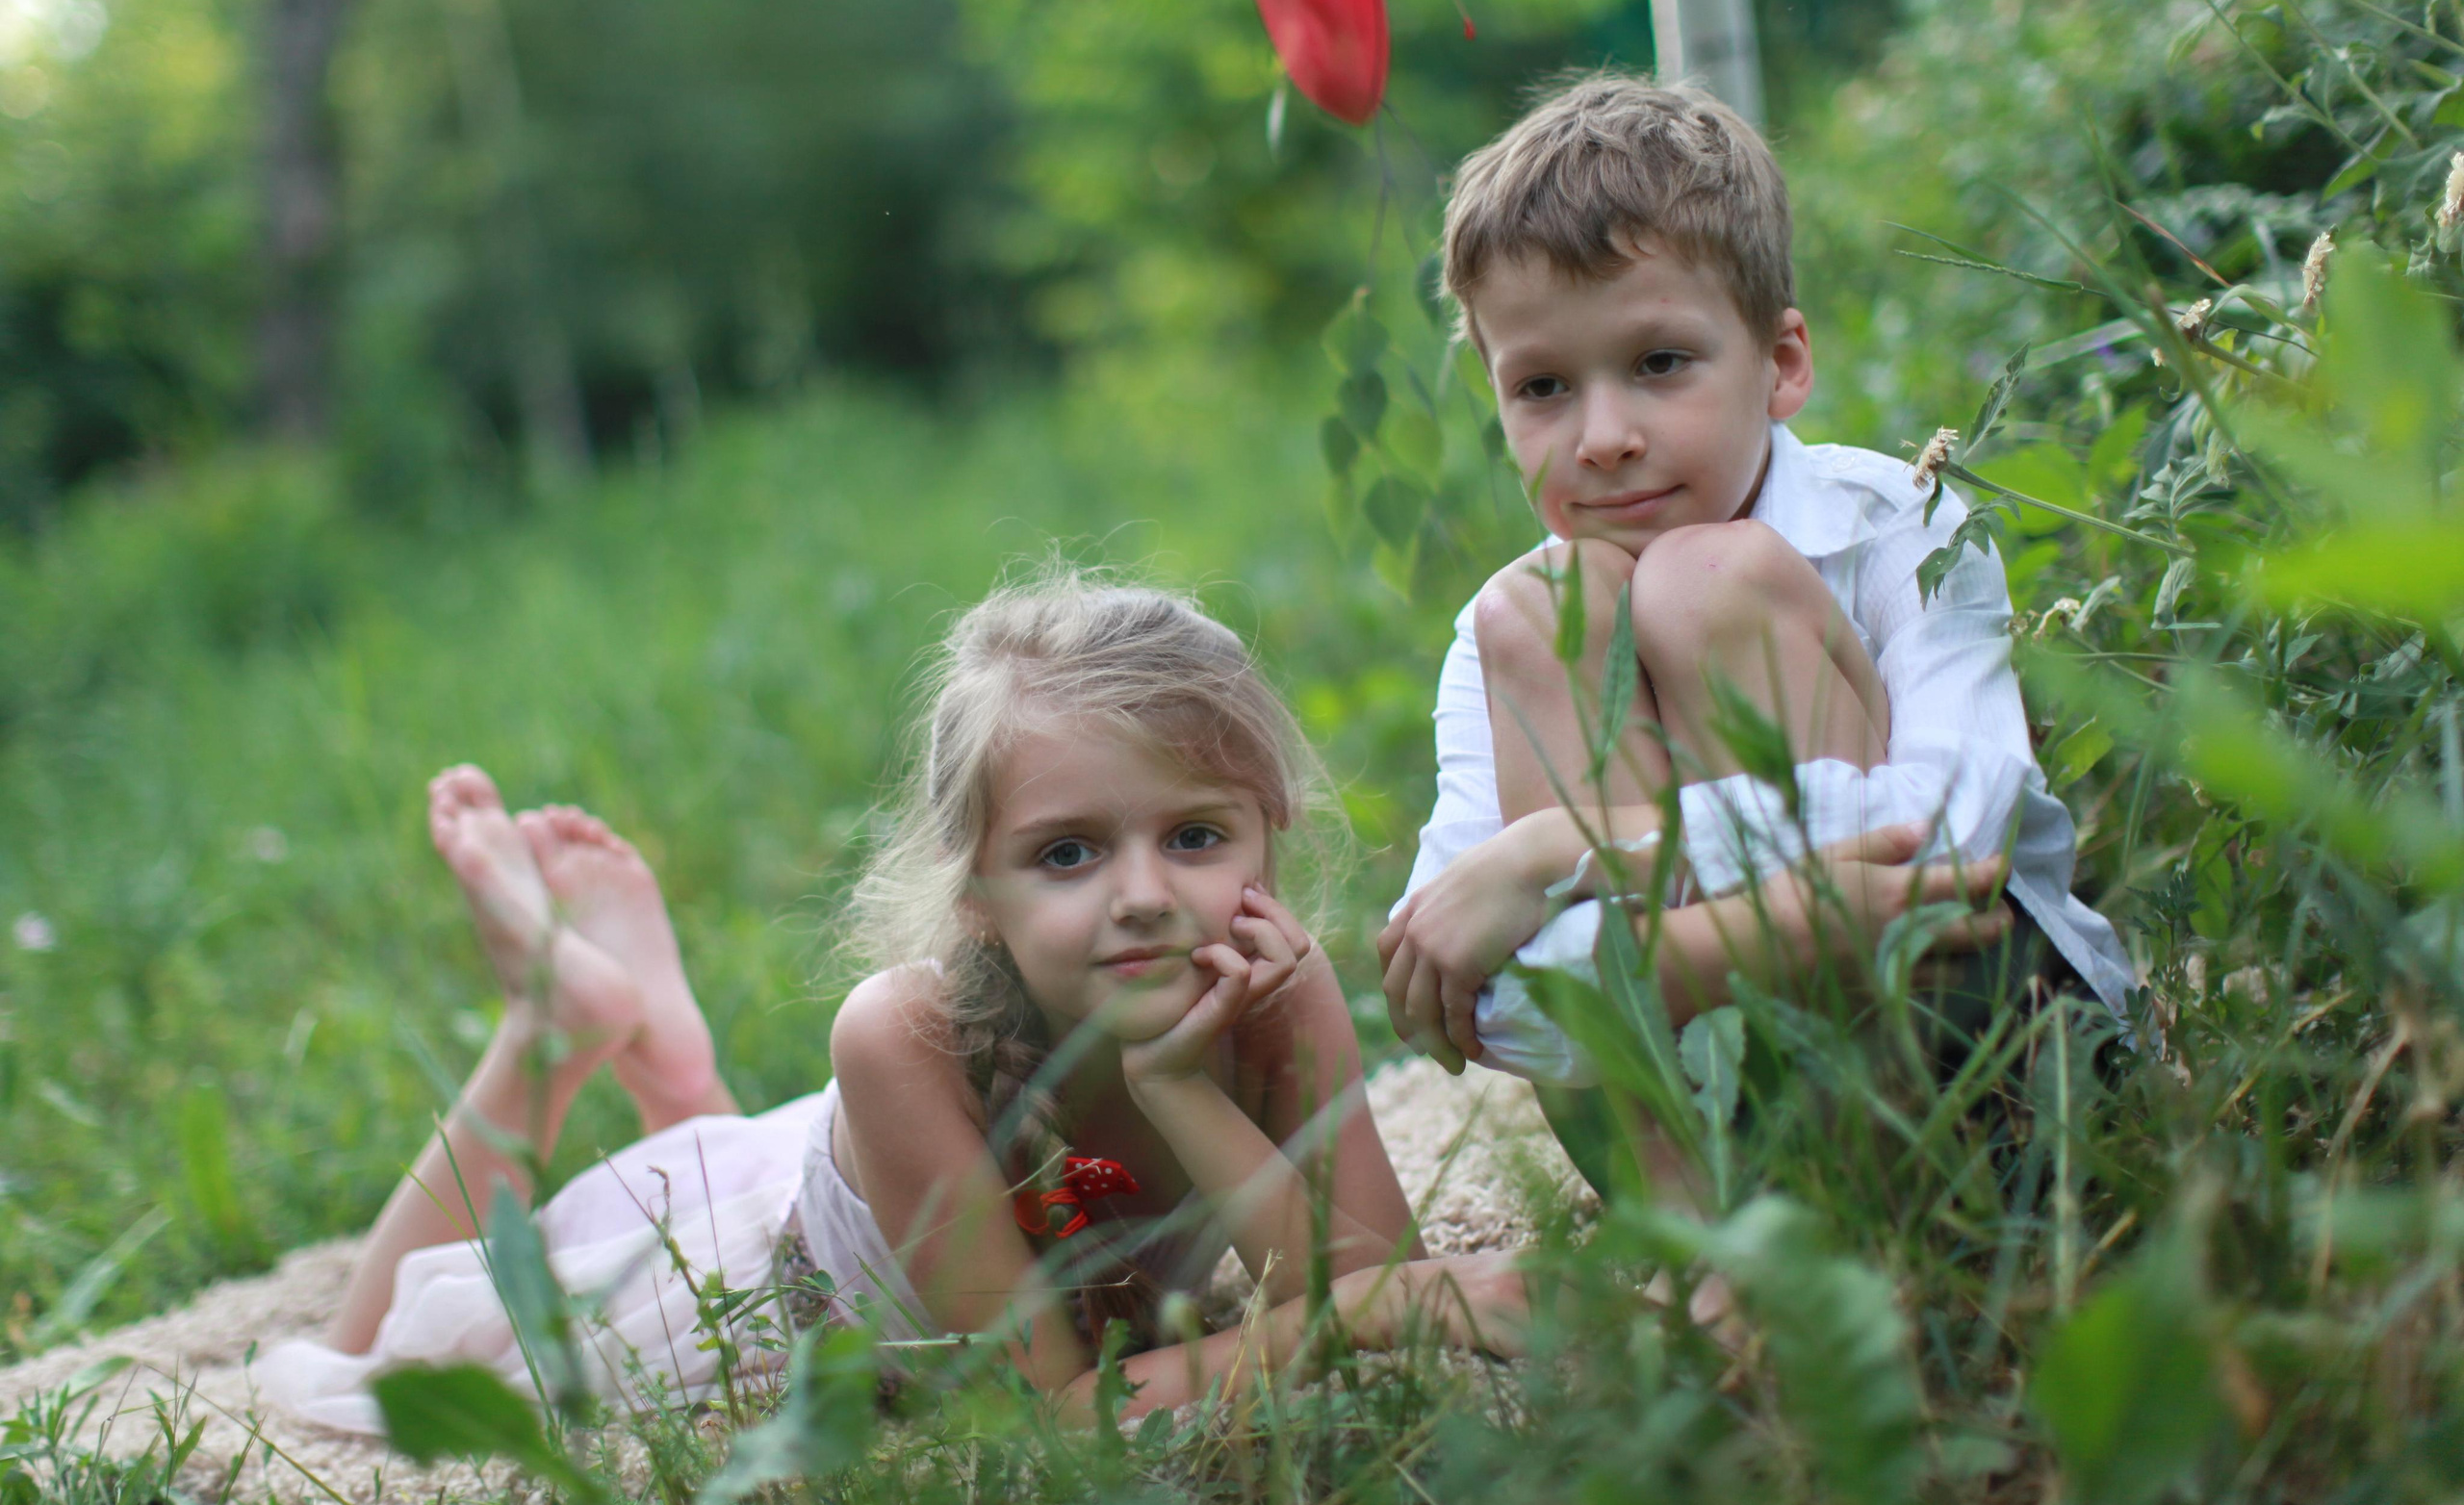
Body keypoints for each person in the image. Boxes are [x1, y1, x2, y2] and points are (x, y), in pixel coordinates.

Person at [262, 574, 1524, 1436]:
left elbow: (1383, 1295)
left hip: (872, 1180)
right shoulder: (901, 1036)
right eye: (1068, 853)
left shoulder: (1277, 998)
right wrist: (1352, 1312)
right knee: (374, 1344)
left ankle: (672, 1074)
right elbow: (1054, 1416)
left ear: (1269, 833)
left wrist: (1181, 1089)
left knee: (712, 1144)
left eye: (1195, 836)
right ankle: (551, 1033)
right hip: (756, 1274)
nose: (1144, 897)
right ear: (975, 891)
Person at [1377, 74, 2137, 1112]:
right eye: (1542, 387)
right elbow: (1459, 992)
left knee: (1705, 583)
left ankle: (1882, 1165)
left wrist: (1570, 850)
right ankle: (1728, 1202)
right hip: (1708, 1136)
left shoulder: (1892, 522)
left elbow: (1951, 839)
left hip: (1994, 1054)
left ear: (1780, 364)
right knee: (1546, 608)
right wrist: (1775, 929)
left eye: (1658, 363)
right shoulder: (1507, 637)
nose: (1604, 438)